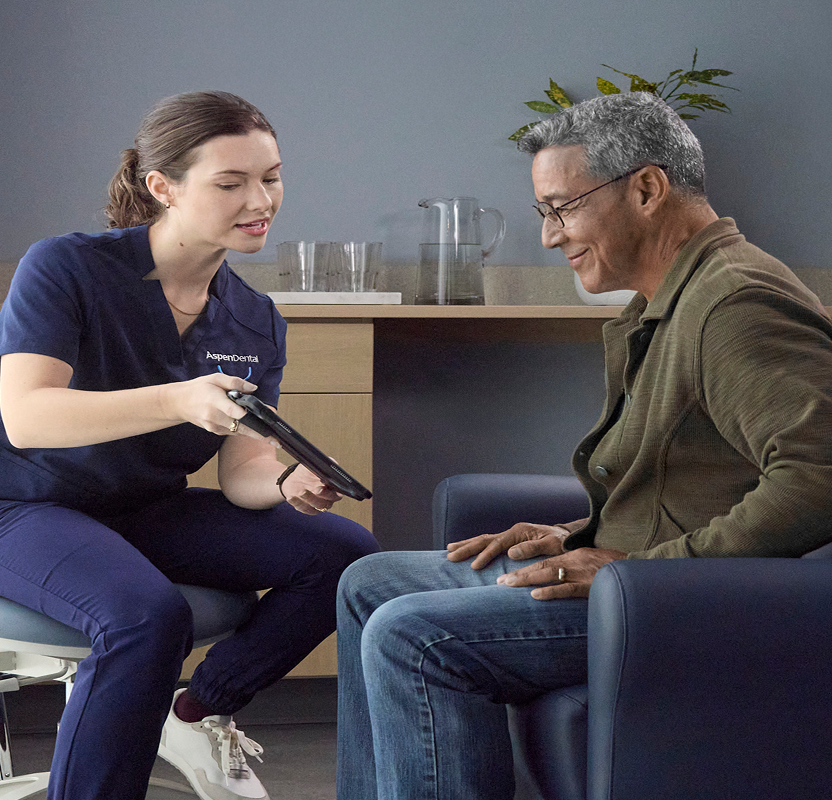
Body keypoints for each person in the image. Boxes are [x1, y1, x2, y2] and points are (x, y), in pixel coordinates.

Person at [335, 91, 832, 799]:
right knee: (368, 584)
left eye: (562, 208)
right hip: (638, 582)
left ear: (648, 189)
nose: (548, 236)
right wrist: (575, 535)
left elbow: (820, 475)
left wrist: (638, 572)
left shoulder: (735, 304)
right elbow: (689, 480)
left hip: (676, 605)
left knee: (412, 635)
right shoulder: (671, 297)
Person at [0, 90, 378, 800]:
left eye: (271, 176)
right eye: (230, 183)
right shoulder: (64, 268)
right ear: (162, 187)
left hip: (144, 508)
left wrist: (287, 478)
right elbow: (27, 417)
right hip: (22, 506)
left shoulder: (256, 319)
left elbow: (243, 473)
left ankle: (195, 709)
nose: (259, 199)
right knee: (148, 616)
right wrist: (178, 398)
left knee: (347, 556)